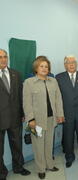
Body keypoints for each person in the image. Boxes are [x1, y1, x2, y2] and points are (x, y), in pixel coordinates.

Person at [23, 56, 64, 179]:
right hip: (37, 121)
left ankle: (50, 165)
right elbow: (26, 103)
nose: (44, 68)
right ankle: (41, 168)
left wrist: (60, 115)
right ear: (36, 68)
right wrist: (30, 119)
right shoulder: (29, 83)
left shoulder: (53, 81)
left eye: (46, 66)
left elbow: (58, 99)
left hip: (51, 119)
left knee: (48, 144)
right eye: (41, 66)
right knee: (38, 146)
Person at [0, 49, 31, 180]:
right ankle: (2, 173)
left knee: (17, 144)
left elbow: (21, 96)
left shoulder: (16, 74)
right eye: (0, 57)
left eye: (5, 57)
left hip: (15, 117)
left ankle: (18, 167)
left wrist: (23, 113)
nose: (3, 59)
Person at [55, 55, 78, 168]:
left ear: (76, 63)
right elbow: (57, 97)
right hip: (66, 114)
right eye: (69, 62)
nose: (71, 64)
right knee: (68, 138)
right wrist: (59, 113)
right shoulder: (59, 77)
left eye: (73, 62)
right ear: (65, 65)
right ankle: (69, 158)